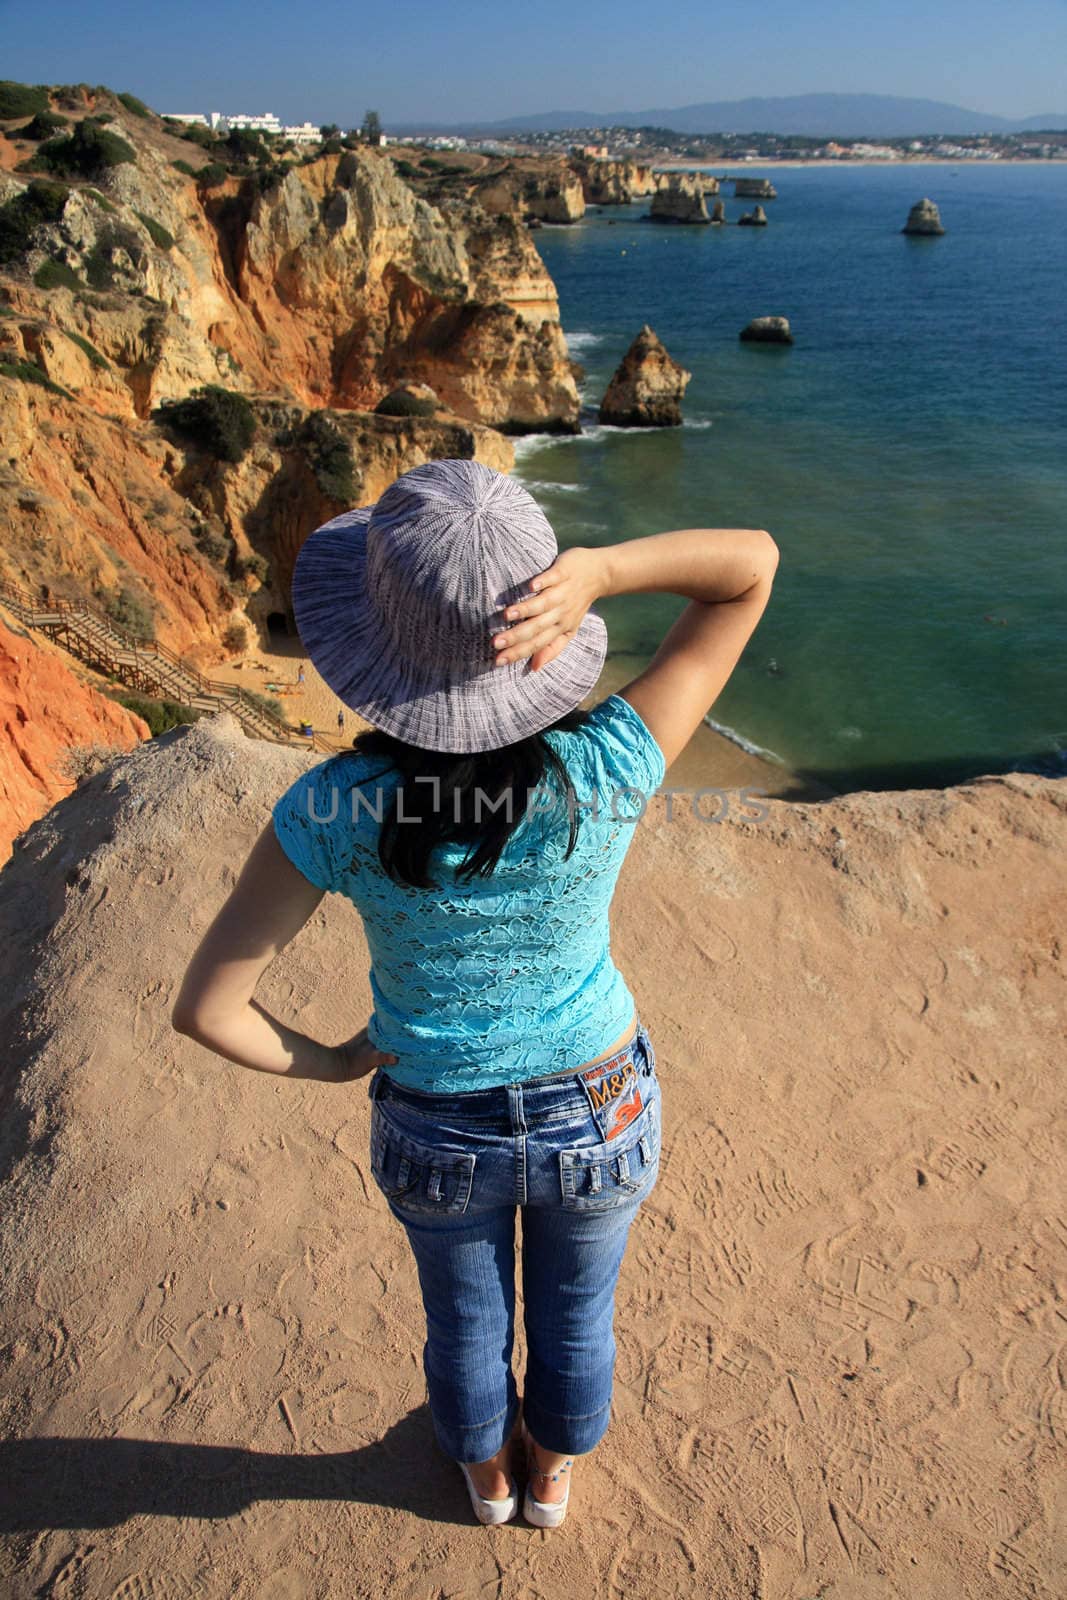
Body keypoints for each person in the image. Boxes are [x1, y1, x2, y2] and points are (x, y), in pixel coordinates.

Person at [170, 459, 778, 1528]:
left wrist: (339, 1058)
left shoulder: (329, 809)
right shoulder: (606, 764)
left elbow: (209, 1011)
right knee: (577, 1315)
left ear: (370, 653)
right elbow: (747, 569)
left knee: (462, 1323)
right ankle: (550, 1476)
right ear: (543, 630)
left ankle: (486, 1477)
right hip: (600, 1102)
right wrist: (599, 568)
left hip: (433, 1118)